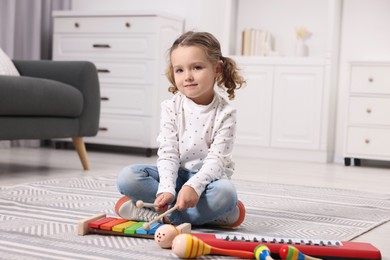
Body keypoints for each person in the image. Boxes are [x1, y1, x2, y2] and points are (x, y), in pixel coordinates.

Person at [116, 31, 246, 228]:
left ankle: (159, 216)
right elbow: (168, 153)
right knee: (127, 177)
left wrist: (193, 186)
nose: (188, 77)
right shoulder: (170, 107)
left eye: (197, 67)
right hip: (173, 175)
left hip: (207, 182)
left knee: (226, 195)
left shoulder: (225, 113)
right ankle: (209, 216)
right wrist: (166, 189)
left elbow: (216, 160)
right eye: (180, 70)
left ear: (217, 68)